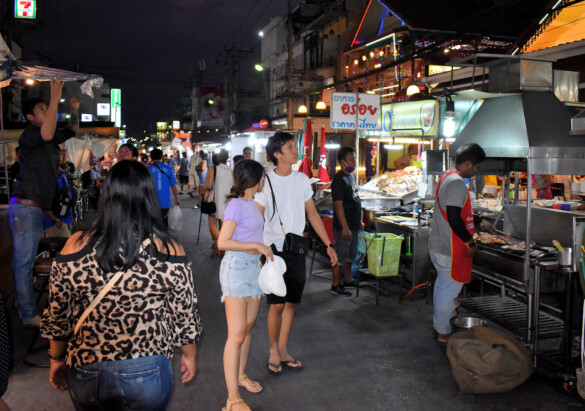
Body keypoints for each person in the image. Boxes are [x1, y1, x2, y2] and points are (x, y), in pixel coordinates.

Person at [40, 160, 202, 410]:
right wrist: (189, 356)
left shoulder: (75, 245)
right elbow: (184, 316)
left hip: (87, 367)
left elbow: (59, 313)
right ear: (148, 197)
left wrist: (55, 359)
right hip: (148, 368)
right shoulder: (169, 249)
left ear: (107, 196)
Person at [255, 131, 338, 374]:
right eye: (290, 147)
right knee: (276, 305)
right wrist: (257, 251)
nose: (295, 150)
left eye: (294, 146)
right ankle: (272, 350)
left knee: (290, 303)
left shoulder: (302, 179)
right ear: (277, 154)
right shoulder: (265, 181)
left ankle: (282, 350)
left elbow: (312, 213)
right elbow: (256, 218)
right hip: (273, 251)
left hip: (297, 248)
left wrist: (328, 243)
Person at [9, 77, 80, 327]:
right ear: (30, 117)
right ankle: (28, 313)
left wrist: (73, 110)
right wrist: (53, 96)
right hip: (25, 207)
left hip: (35, 209)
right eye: (40, 110)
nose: (45, 112)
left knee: (26, 261)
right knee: (24, 262)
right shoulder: (30, 136)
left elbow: (72, 130)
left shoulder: (47, 139)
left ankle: (24, 303)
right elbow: (48, 130)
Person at [217, 159, 274, 411]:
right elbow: (222, 242)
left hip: (253, 269)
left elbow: (252, 235)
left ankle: (240, 376)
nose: (264, 181)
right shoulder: (236, 205)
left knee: (248, 328)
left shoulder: (253, 204)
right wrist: (257, 246)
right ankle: (232, 399)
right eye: (262, 176)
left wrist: (261, 253)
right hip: (236, 269)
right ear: (254, 179)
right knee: (237, 334)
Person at [429, 143, 493, 343]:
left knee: (443, 287)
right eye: (476, 167)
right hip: (450, 248)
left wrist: (480, 222)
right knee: (448, 290)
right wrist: (470, 242)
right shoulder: (457, 183)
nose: (476, 171)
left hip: (439, 244)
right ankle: (443, 332)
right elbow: (455, 218)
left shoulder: (447, 177)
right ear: (467, 164)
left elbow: (457, 212)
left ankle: (441, 323)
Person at [330, 147, 363, 296]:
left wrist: (360, 221)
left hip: (354, 224)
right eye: (351, 159)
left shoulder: (351, 176)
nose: (354, 162)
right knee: (340, 256)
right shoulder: (339, 179)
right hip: (344, 226)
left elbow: (356, 199)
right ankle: (336, 284)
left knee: (351, 254)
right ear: (342, 162)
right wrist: (344, 227)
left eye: (355, 159)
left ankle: (348, 280)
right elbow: (338, 205)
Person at [202, 150, 234, 252]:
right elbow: (234, 186)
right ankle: (222, 246)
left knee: (212, 223)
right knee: (223, 223)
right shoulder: (230, 170)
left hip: (214, 201)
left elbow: (207, 185)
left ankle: (222, 244)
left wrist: (202, 190)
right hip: (227, 201)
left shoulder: (213, 170)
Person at [44, 148, 74, 237]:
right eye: (57, 154)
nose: (60, 156)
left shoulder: (62, 174)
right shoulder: (49, 176)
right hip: (56, 222)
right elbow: (45, 201)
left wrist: (71, 217)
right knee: (62, 249)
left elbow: (66, 196)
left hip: (65, 218)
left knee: (66, 248)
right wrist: (55, 220)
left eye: (60, 154)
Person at [148, 148, 180, 227]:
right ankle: (163, 238)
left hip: (151, 202)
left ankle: (154, 238)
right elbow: (173, 185)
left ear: (151, 158)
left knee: (153, 225)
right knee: (163, 224)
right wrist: (176, 198)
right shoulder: (169, 169)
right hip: (165, 202)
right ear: (161, 157)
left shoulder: (147, 170)